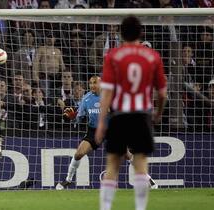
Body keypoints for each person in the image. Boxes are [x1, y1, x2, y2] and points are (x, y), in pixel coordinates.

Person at [95, 16, 167, 210]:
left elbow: (107, 92)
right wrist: (158, 113)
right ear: (141, 33)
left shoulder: (113, 56)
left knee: (112, 165)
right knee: (141, 163)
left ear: (120, 33)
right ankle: (140, 208)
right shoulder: (152, 56)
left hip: (119, 116)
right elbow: (162, 93)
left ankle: (105, 208)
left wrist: (102, 122)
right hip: (142, 115)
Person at [55, 76, 101, 190]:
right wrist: (71, 117)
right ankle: (68, 180)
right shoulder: (86, 99)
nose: (92, 86)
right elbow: (78, 117)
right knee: (78, 154)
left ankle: (148, 180)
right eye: (90, 83)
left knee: (126, 154)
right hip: (93, 130)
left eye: (95, 83)